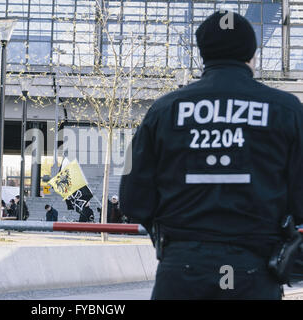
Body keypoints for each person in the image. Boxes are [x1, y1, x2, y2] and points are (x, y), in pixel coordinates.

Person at [120, 11, 303, 300]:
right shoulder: (286, 110)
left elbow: (132, 198)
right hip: (254, 271)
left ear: (202, 52)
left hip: (181, 270)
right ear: (252, 54)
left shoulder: (163, 111)